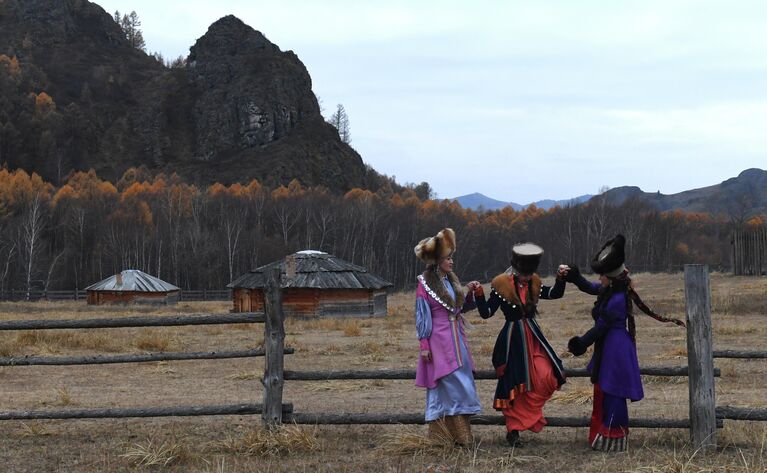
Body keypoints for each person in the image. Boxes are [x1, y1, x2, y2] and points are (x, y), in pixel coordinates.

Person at [565, 234, 685, 452]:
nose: (599, 278)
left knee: (613, 391)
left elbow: (600, 327)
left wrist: (581, 343)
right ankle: (605, 435)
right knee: (608, 390)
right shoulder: (613, 289)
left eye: (602, 275)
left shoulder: (616, 299)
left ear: (610, 277)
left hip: (615, 349)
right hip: (612, 345)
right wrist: (574, 277)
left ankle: (613, 437)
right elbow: (592, 287)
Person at [472, 243, 569, 447]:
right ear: (516, 270)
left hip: (533, 338)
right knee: (516, 384)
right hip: (512, 341)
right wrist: (479, 294)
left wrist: (561, 278)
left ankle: (530, 417)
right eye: (524, 274)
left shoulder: (534, 282)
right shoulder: (501, 285)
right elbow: (486, 313)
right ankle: (514, 431)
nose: (527, 277)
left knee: (547, 375)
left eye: (529, 273)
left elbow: (554, 294)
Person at [414, 227, 482, 447]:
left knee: (463, 381)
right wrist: (424, 345)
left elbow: (459, 309)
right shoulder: (425, 285)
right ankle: (448, 434)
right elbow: (422, 317)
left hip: (457, 340)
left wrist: (469, 292)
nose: (451, 262)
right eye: (448, 258)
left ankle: (457, 434)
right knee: (450, 383)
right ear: (438, 261)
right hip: (439, 341)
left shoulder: (451, 281)